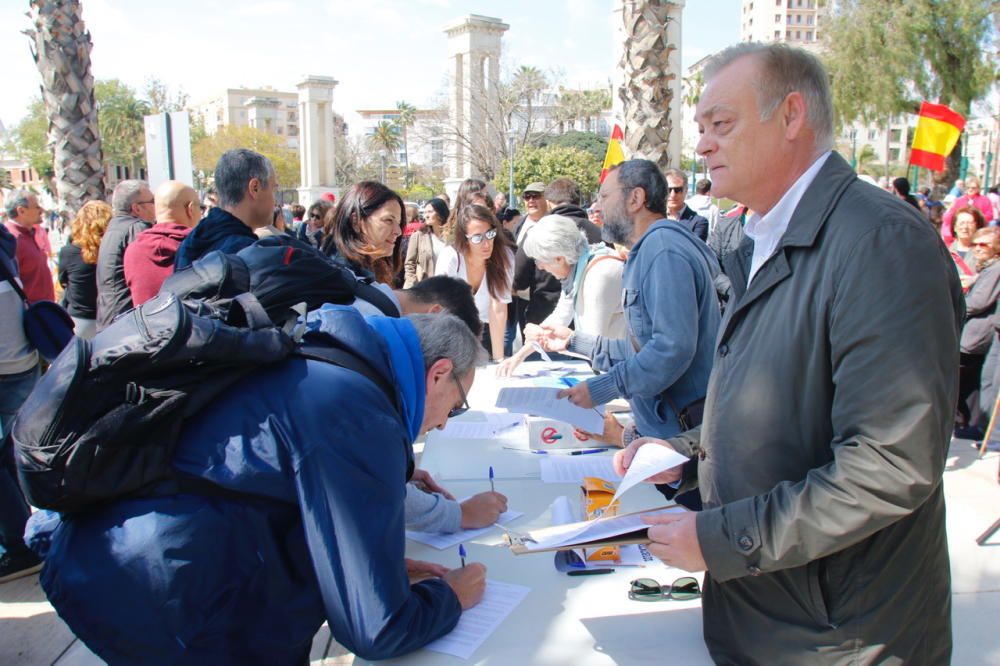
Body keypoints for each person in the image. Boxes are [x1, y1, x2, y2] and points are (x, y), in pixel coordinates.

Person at [614, 42, 961, 663]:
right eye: (701, 129)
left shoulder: (879, 244)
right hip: (771, 619)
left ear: (792, 116)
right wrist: (687, 455)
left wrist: (720, 540)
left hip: (838, 637)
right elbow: (784, 412)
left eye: (721, 125)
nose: (702, 147)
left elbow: (889, 464)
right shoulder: (763, 238)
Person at [29, 311, 488, 662]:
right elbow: (378, 628)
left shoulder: (330, 357)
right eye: (457, 405)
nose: (445, 423)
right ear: (438, 373)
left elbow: (269, 488)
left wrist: (371, 562)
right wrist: (450, 597)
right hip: (168, 601)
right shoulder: (359, 414)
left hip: (122, 561)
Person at [536, 160, 720, 460]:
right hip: (669, 434)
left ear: (636, 199)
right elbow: (643, 349)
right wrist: (573, 342)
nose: (598, 206)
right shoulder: (653, 248)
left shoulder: (662, 250)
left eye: (605, 197)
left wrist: (602, 387)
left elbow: (670, 349)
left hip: (681, 441)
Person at [496, 214, 626, 378]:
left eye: (540, 261)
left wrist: (555, 344)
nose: (540, 267)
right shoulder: (580, 268)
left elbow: (592, 346)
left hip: (631, 371)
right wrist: (519, 356)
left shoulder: (598, 276)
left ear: (559, 258)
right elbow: (559, 316)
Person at [0, 224, 43, 583]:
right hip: (20, 361)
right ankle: (25, 534)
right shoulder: (5, 244)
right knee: (9, 455)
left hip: (7, 367)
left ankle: (19, 544)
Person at [175, 149, 277, 271]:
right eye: (273, 189)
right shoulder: (248, 253)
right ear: (255, 188)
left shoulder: (189, 243)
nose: (275, 201)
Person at [436, 204, 514, 362]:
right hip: (450, 328)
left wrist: (498, 358)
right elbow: (442, 308)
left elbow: (498, 309)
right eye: (477, 238)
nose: (486, 243)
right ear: (464, 238)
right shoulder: (451, 257)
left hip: (484, 328)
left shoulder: (504, 256)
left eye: (490, 234)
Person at [123, 181, 200, 307]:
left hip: (147, 325)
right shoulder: (201, 247)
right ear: (190, 209)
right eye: (200, 207)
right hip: (192, 325)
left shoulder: (133, 251)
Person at [956, 227, 1000, 439]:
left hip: (977, 334)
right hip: (977, 333)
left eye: (984, 244)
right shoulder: (987, 268)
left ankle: (980, 426)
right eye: (976, 244)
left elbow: (979, 302)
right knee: (981, 381)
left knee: (977, 381)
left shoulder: (995, 269)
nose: (978, 248)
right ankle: (976, 423)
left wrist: (954, 303)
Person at [95, 180, 156, 328]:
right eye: (152, 201)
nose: (156, 206)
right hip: (125, 320)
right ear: (136, 208)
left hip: (108, 317)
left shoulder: (113, 227)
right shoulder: (137, 228)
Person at [321, 181, 403, 285]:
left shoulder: (369, 269)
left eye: (399, 223)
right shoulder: (339, 279)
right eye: (388, 220)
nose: (398, 231)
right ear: (356, 221)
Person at [57, 201, 112, 339]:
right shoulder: (112, 249)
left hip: (80, 321)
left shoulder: (68, 252)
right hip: (109, 318)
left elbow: (63, 281)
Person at [3, 189, 54, 304]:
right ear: (21, 211)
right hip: (30, 315)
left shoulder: (29, 233)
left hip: (43, 310)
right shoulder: (11, 240)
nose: (41, 210)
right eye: (36, 207)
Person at [403, 197, 449, 288]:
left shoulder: (452, 238)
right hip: (425, 289)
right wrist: (412, 284)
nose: (426, 215)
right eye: (425, 212)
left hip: (447, 288)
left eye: (430, 212)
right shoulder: (418, 236)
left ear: (441, 213)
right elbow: (410, 264)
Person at [942, 176, 994, 244]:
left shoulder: (985, 200)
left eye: (973, 188)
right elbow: (950, 216)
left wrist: (976, 219)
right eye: (968, 187)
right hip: (961, 233)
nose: (970, 189)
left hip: (977, 232)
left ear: (978, 189)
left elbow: (990, 215)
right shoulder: (959, 200)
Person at [664, 168, 709, 241]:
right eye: (668, 189)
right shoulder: (653, 218)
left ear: (686, 191)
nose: (672, 194)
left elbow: (692, 250)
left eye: (678, 190)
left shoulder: (698, 223)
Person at [950, 206, 985, 290]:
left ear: (977, 227)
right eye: (961, 223)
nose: (965, 227)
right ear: (954, 227)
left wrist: (975, 279)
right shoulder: (944, 253)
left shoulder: (986, 252)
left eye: (970, 223)